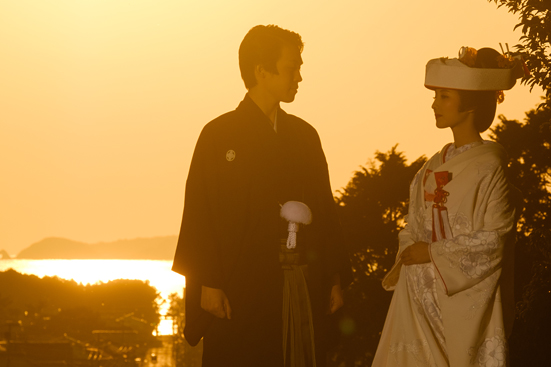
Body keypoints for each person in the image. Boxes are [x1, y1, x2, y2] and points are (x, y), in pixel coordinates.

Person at [172, 25, 351, 367]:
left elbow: (325, 211)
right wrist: (207, 283)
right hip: (236, 286)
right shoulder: (217, 135)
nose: (299, 76)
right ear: (261, 70)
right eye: (292, 67)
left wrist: (334, 277)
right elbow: (199, 213)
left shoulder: (304, 136)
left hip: (298, 281)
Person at [372, 46, 526, 366]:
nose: (434, 104)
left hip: (464, 297)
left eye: (444, 97)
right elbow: (412, 224)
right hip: (420, 296)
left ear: (469, 104)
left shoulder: (490, 166)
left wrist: (430, 253)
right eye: (435, 96)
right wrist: (411, 252)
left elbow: (495, 239)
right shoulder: (429, 168)